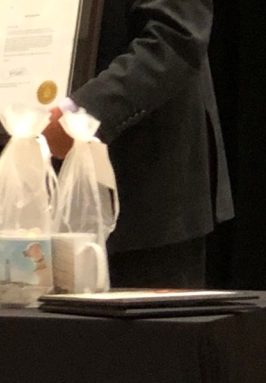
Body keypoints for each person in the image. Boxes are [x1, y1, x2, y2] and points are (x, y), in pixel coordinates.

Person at [42, 0, 234, 288]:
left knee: (145, 333)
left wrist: (80, 113)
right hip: (28, 190)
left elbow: (175, 37)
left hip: (146, 194)